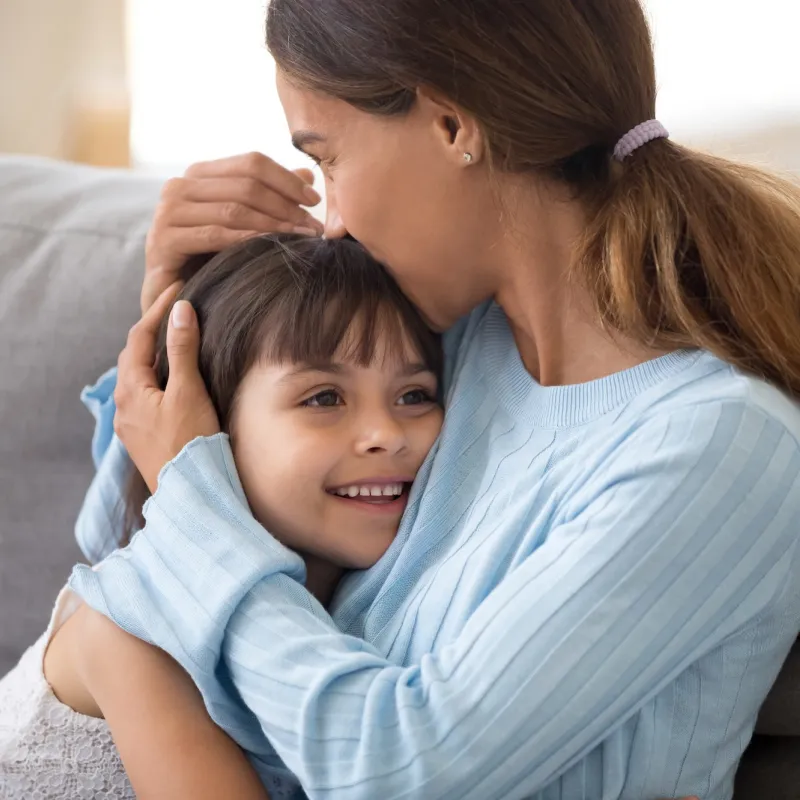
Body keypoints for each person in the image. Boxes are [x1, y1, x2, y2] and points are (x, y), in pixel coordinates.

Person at [67, 0, 800, 797]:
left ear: (453, 126)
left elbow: (400, 770)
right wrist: (181, 318)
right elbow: (122, 561)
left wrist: (190, 490)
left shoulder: (717, 447)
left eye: (330, 160)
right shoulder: (448, 343)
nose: (333, 219)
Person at [0, 235, 444, 799]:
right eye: (324, 398)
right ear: (208, 427)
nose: (387, 434)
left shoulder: (382, 603)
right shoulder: (131, 627)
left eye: (414, 395)